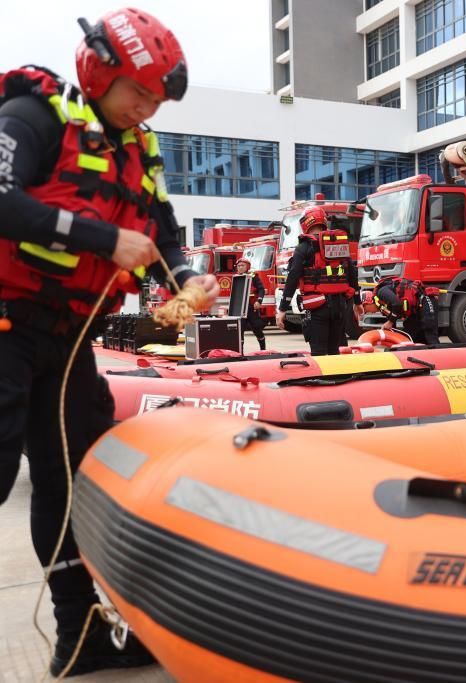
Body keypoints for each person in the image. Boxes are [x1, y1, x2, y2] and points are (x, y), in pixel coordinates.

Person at [0, 9, 218, 677]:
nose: (147, 108)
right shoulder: (31, 117)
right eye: (139, 93)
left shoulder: (137, 153)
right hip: (6, 326)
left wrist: (185, 280)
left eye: (156, 99)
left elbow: (161, 235)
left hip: (68, 343)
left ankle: (81, 632)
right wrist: (101, 239)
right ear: (99, 69)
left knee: (69, 485)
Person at [276, 207, 359, 355]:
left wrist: (282, 309)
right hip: (340, 306)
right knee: (336, 351)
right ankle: (338, 377)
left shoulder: (303, 247)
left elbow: (293, 277)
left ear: (306, 223)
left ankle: (323, 378)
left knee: (319, 353)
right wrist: (357, 303)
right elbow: (352, 273)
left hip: (317, 307)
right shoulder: (339, 245)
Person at [365, 276, 440, 345]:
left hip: (425, 300)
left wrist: (390, 322)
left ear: (368, 302)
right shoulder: (382, 306)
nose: (368, 312)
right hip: (414, 311)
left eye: (365, 310)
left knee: (430, 334)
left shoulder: (381, 292)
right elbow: (392, 321)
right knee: (411, 336)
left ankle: (439, 354)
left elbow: (397, 304)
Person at [234, 258, 266, 351]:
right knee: (240, 331)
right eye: (238, 266)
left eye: (242, 265)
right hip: (240, 308)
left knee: (256, 328)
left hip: (251, 307)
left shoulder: (253, 276)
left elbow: (261, 289)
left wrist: (259, 301)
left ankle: (263, 350)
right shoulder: (236, 277)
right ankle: (240, 353)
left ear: (247, 267)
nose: (240, 268)